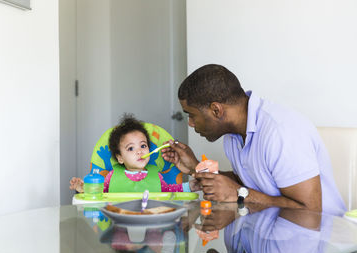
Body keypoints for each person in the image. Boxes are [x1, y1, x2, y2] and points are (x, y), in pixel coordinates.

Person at [162, 64, 346, 216]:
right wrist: (196, 168)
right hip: (269, 244)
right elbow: (249, 182)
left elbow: (310, 210)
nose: (191, 124)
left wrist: (238, 194)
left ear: (216, 110)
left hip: (315, 252)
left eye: (192, 115)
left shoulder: (281, 132)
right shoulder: (232, 137)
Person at [70, 114, 196, 193]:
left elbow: (170, 190)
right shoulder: (112, 176)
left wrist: (191, 186)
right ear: (120, 157)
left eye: (143, 145)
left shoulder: (156, 175)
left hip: (152, 220)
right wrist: (83, 189)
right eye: (131, 148)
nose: (139, 151)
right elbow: (99, 193)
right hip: (120, 221)